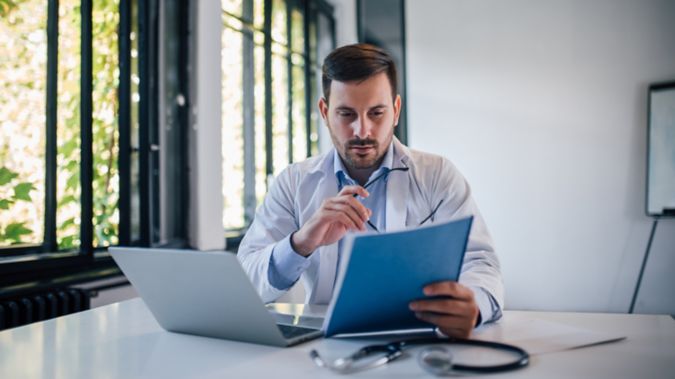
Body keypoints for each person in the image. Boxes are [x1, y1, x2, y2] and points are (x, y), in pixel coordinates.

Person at [238, 43, 503, 338]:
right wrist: (301, 242)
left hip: (422, 339)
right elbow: (244, 280)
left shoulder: (438, 175)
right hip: (324, 348)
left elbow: (481, 262)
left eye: (376, 113)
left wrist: (474, 306)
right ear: (325, 112)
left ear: (396, 110)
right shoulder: (294, 183)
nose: (362, 131)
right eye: (346, 114)